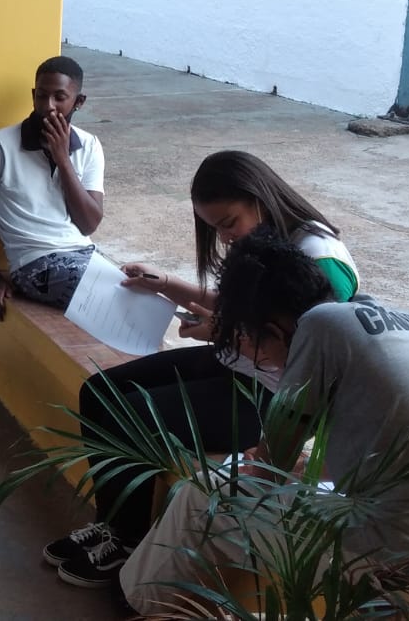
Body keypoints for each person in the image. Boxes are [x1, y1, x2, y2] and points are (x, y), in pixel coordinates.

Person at [42, 150, 359, 590]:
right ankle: (111, 522)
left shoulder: (320, 257)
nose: (225, 238)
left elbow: (313, 355)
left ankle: (128, 539)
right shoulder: (269, 238)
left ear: (259, 200)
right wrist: (168, 286)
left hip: (271, 395)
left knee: (133, 414)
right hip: (235, 364)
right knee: (99, 391)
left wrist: (225, 333)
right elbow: (242, 309)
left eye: (229, 223)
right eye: (216, 229)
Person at [117, 231, 409, 615]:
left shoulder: (318, 326)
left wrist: (262, 463)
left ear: (274, 331)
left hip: (380, 556)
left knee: (206, 493)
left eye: (250, 340)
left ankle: (135, 606)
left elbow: (267, 471)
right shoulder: (401, 322)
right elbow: (386, 449)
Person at [0, 56, 105, 319]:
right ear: (33, 96)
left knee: (142, 290)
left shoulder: (89, 146)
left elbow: (89, 224)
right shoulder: (0, 146)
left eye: (59, 97)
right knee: (105, 299)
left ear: (78, 102)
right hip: (34, 264)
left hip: (85, 256)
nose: (48, 106)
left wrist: (63, 160)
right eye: (41, 96)